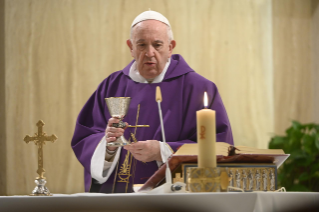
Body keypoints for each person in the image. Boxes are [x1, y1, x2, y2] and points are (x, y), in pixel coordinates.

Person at [71, 10, 233, 193]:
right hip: (119, 197)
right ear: (130, 47)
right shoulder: (111, 86)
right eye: (141, 45)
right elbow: (85, 137)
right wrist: (108, 146)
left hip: (177, 198)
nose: (150, 53)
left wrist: (164, 151)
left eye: (157, 45)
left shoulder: (198, 88)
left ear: (171, 47)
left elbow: (219, 146)